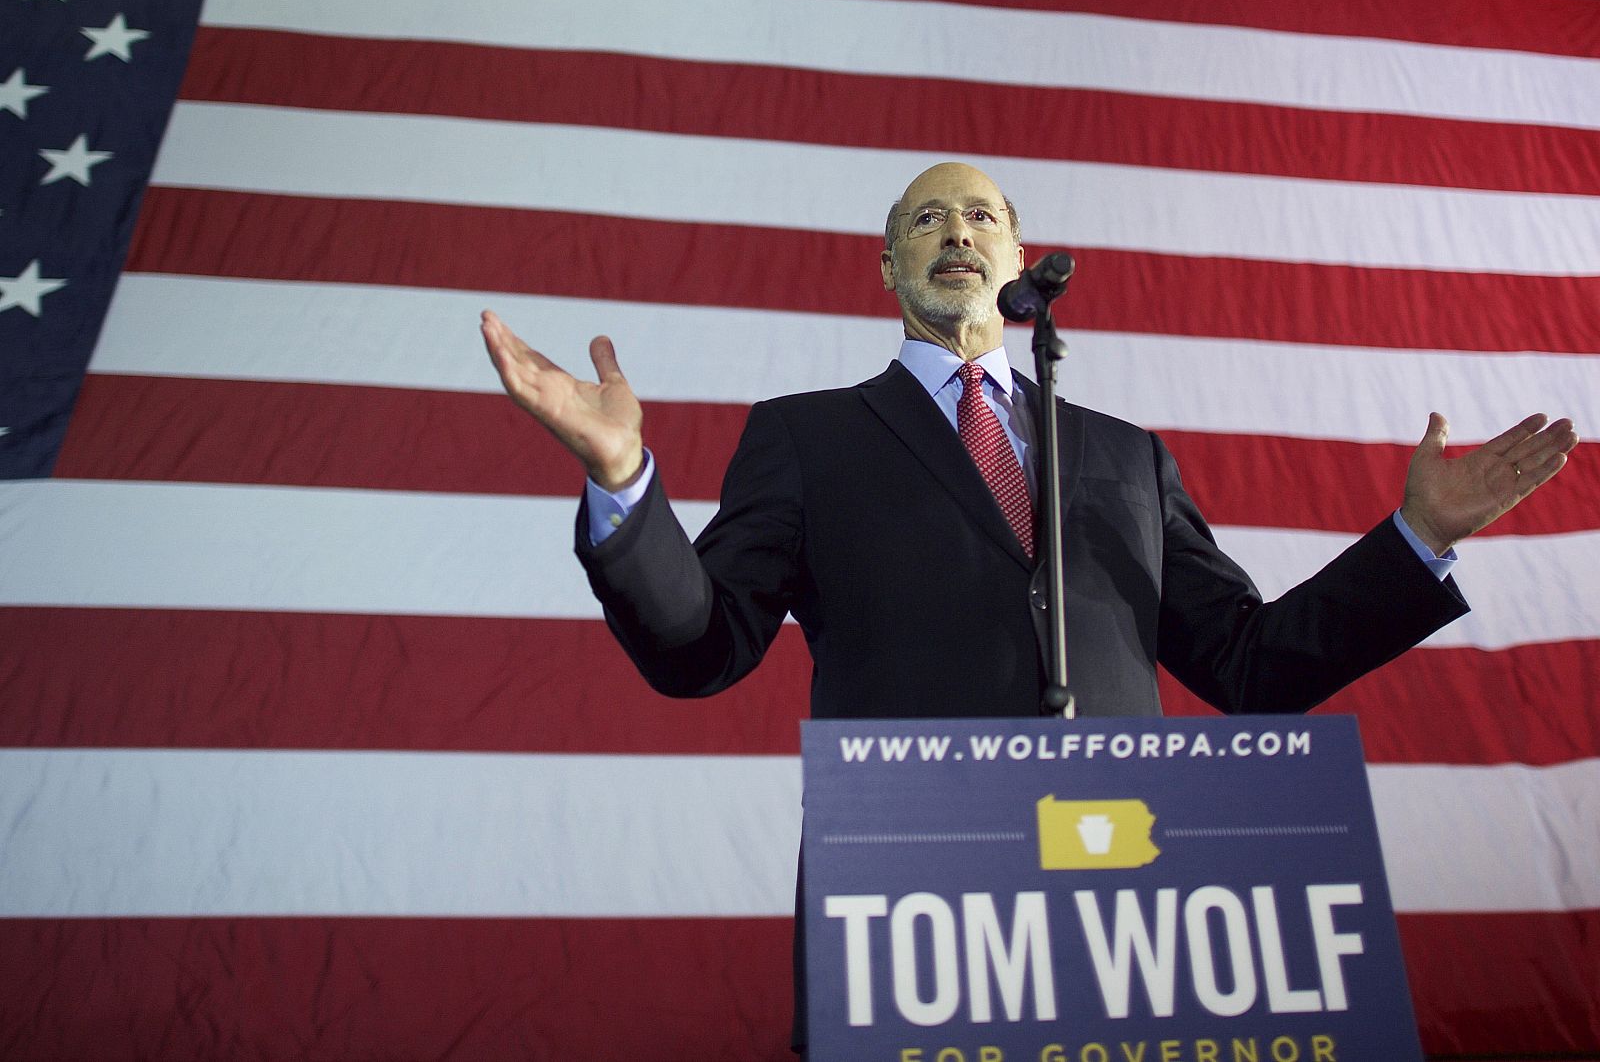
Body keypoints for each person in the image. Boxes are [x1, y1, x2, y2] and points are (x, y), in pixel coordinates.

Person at [481, 161, 1577, 1044]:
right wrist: (624, 481)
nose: (955, 232)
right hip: (916, 903)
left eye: (979, 215)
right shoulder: (805, 437)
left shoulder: (1125, 454)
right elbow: (700, 645)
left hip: (1129, 908)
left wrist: (1416, 541)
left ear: (1015, 255)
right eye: (926, 220)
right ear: (886, 265)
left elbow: (1254, 665)